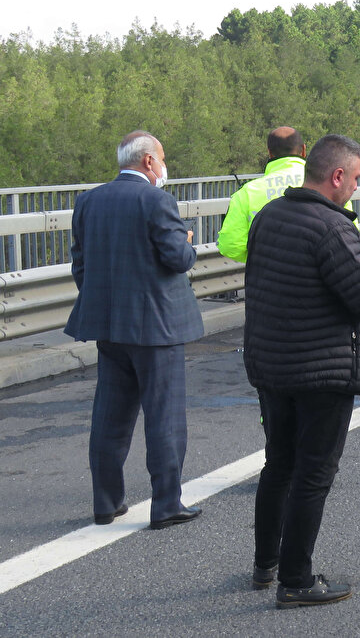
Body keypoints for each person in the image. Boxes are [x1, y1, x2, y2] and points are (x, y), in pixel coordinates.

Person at [243, 134, 360, 608]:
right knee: (313, 476)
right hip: (323, 374)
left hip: (273, 367)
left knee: (279, 466)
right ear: (337, 176)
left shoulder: (268, 216)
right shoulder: (333, 228)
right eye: (356, 178)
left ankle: (265, 566)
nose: (356, 187)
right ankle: (297, 580)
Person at [65, 131, 204, 528]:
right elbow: (178, 259)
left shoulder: (88, 200)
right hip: (156, 328)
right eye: (162, 159)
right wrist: (188, 241)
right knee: (164, 417)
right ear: (148, 161)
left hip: (110, 325)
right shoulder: (156, 200)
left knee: (110, 417)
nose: (164, 167)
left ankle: (106, 503)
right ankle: (166, 505)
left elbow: (81, 264)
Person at [218, 127, 309, 262]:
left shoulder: (247, 192)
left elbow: (230, 246)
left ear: (270, 153)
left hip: (267, 279)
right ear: (303, 150)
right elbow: (349, 234)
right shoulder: (328, 186)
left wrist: (263, 260)